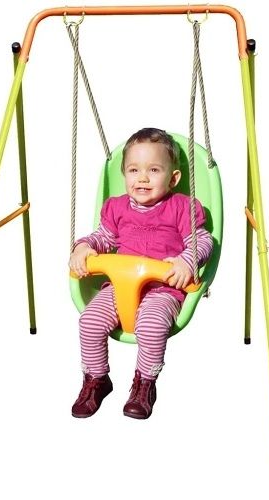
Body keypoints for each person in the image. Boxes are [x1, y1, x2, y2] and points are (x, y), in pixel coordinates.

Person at [69, 128, 213, 419]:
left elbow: (202, 240)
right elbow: (103, 238)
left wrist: (186, 262)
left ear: (173, 178)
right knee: (89, 322)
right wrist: (84, 246)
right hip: (118, 288)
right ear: (124, 174)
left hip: (162, 290)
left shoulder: (181, 208)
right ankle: (96, 379)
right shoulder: (116, 208)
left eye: (154, 170)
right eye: (134, 170)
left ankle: (145, 383)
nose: (142, 178)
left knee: (151, 326)